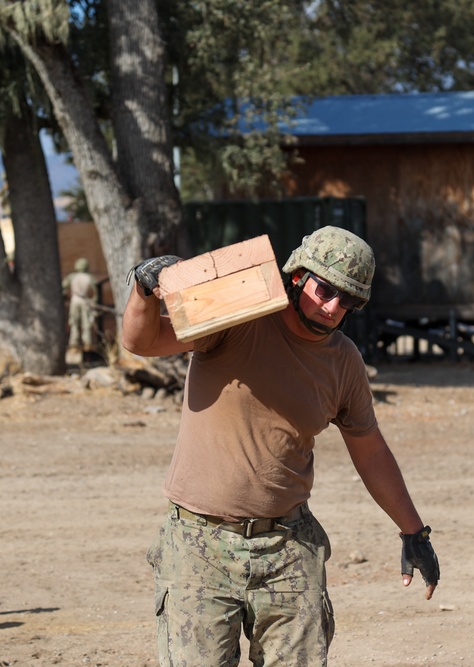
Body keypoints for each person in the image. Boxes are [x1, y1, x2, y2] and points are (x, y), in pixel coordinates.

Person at [121, 226, 440, 667]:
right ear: (297, 276)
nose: (332, 307)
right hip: (199, 547)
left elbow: (369, 451)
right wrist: (143, 286)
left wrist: (413, 532)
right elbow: (141, 341)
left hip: (289, 547)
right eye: (325, 290)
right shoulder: (237, 318)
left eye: (347, 300)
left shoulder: (343, 361)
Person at [62, 257, 97, 355]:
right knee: (86, 323)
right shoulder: (89, 277)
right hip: (85, 301)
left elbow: (64, 287)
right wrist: (94, 301)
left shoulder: (72, 277)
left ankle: (74, 344)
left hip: (75, 301)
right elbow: (96, 291)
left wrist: (65, 298)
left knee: (74, 323)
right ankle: (87, 343)